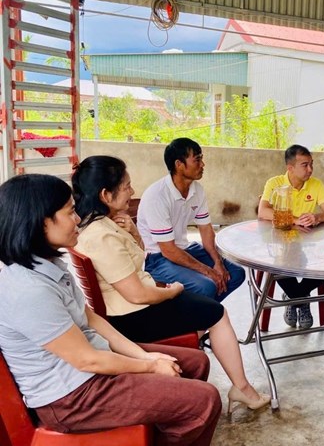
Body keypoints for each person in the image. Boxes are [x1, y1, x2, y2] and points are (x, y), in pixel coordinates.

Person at [0, 174, 220, 446]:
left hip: (90, 370)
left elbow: (91, 319)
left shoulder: (49, 266)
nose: (77, 219)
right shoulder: (28, 289)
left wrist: (145, 357)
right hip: (72, 398)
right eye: (69, 212)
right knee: (205, 399)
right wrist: (149, 366)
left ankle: (163, 428)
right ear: (41, 221)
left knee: (195, 362)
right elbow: (87, 361)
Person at [72, 156, 270, 413]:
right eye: (126, 186)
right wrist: (173, 291)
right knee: (217, 314)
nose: (132, 191)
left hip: (130, 307)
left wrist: (133, 232)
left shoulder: (104, 224)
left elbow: (137, 259)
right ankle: (241, 388)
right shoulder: (102, 235)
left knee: (208, 305)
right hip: (132, 316)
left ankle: (200, 348)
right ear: (106, 195)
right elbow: (138, 295)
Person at [137, 138, 245, 302]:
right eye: (197, 160)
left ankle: (200, 313)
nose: (203, 164)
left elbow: (206, 230)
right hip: (158, 259)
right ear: (179, 164)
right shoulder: (157, 196)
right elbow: (168, 250)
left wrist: (218, 263)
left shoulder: (197, 190)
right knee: (206, 286)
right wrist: (208, 271)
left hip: (185, 249)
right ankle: (199, 313)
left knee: (236, 273)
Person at [258, 144, 324, 329]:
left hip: (308, 244)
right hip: (280, 243)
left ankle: (293, 297)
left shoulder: (316, 184)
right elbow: (263, 211)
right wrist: (295, 220)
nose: (310, 169)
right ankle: (302, 300)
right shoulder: (275, 183)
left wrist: (317, 217)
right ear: (290, 168)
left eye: (311, 164)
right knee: (280, 264)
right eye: (305, 165)